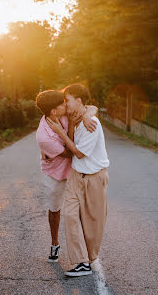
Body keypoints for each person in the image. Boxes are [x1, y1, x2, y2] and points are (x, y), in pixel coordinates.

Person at [47, 83, 109, 277]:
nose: (65, 104)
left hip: (94, 176)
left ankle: (90, 258)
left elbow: (79, 153)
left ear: (79, 101)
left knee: (92, 222)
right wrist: (73, 124)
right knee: (71, 216)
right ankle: (80, 262)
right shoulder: (75, 116)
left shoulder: (93, 123)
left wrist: (61, 133)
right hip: (75, 175)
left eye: (68, 100)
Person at [35, 89, 97, 263]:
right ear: (53, 111)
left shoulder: (64, 114)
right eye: (62, 103)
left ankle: (85, 250)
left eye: (64, 101)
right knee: (55, 209)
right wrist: (70, 125)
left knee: (77, 209)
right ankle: (55, 243)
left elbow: (91, 107)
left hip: (73, 169)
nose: (65, 104)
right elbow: (69, 153)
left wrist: (85, 117)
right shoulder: (43, 137)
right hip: (54, 173)